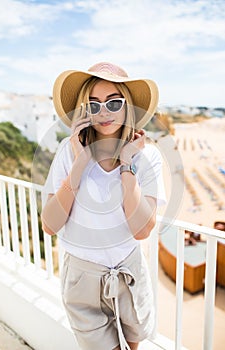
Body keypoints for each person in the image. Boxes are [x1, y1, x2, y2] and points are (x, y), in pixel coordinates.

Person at [41, 62, 166, 350]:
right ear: (84, 111)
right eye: (94, 105)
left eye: (114, 102)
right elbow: (49, 225)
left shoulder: (149, 157)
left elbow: (140, 230)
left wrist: (127, 166)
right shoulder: (67, 152)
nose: (104, 112)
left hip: (129, 270)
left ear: (128, 106)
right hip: (81, 276)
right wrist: (80, 162)